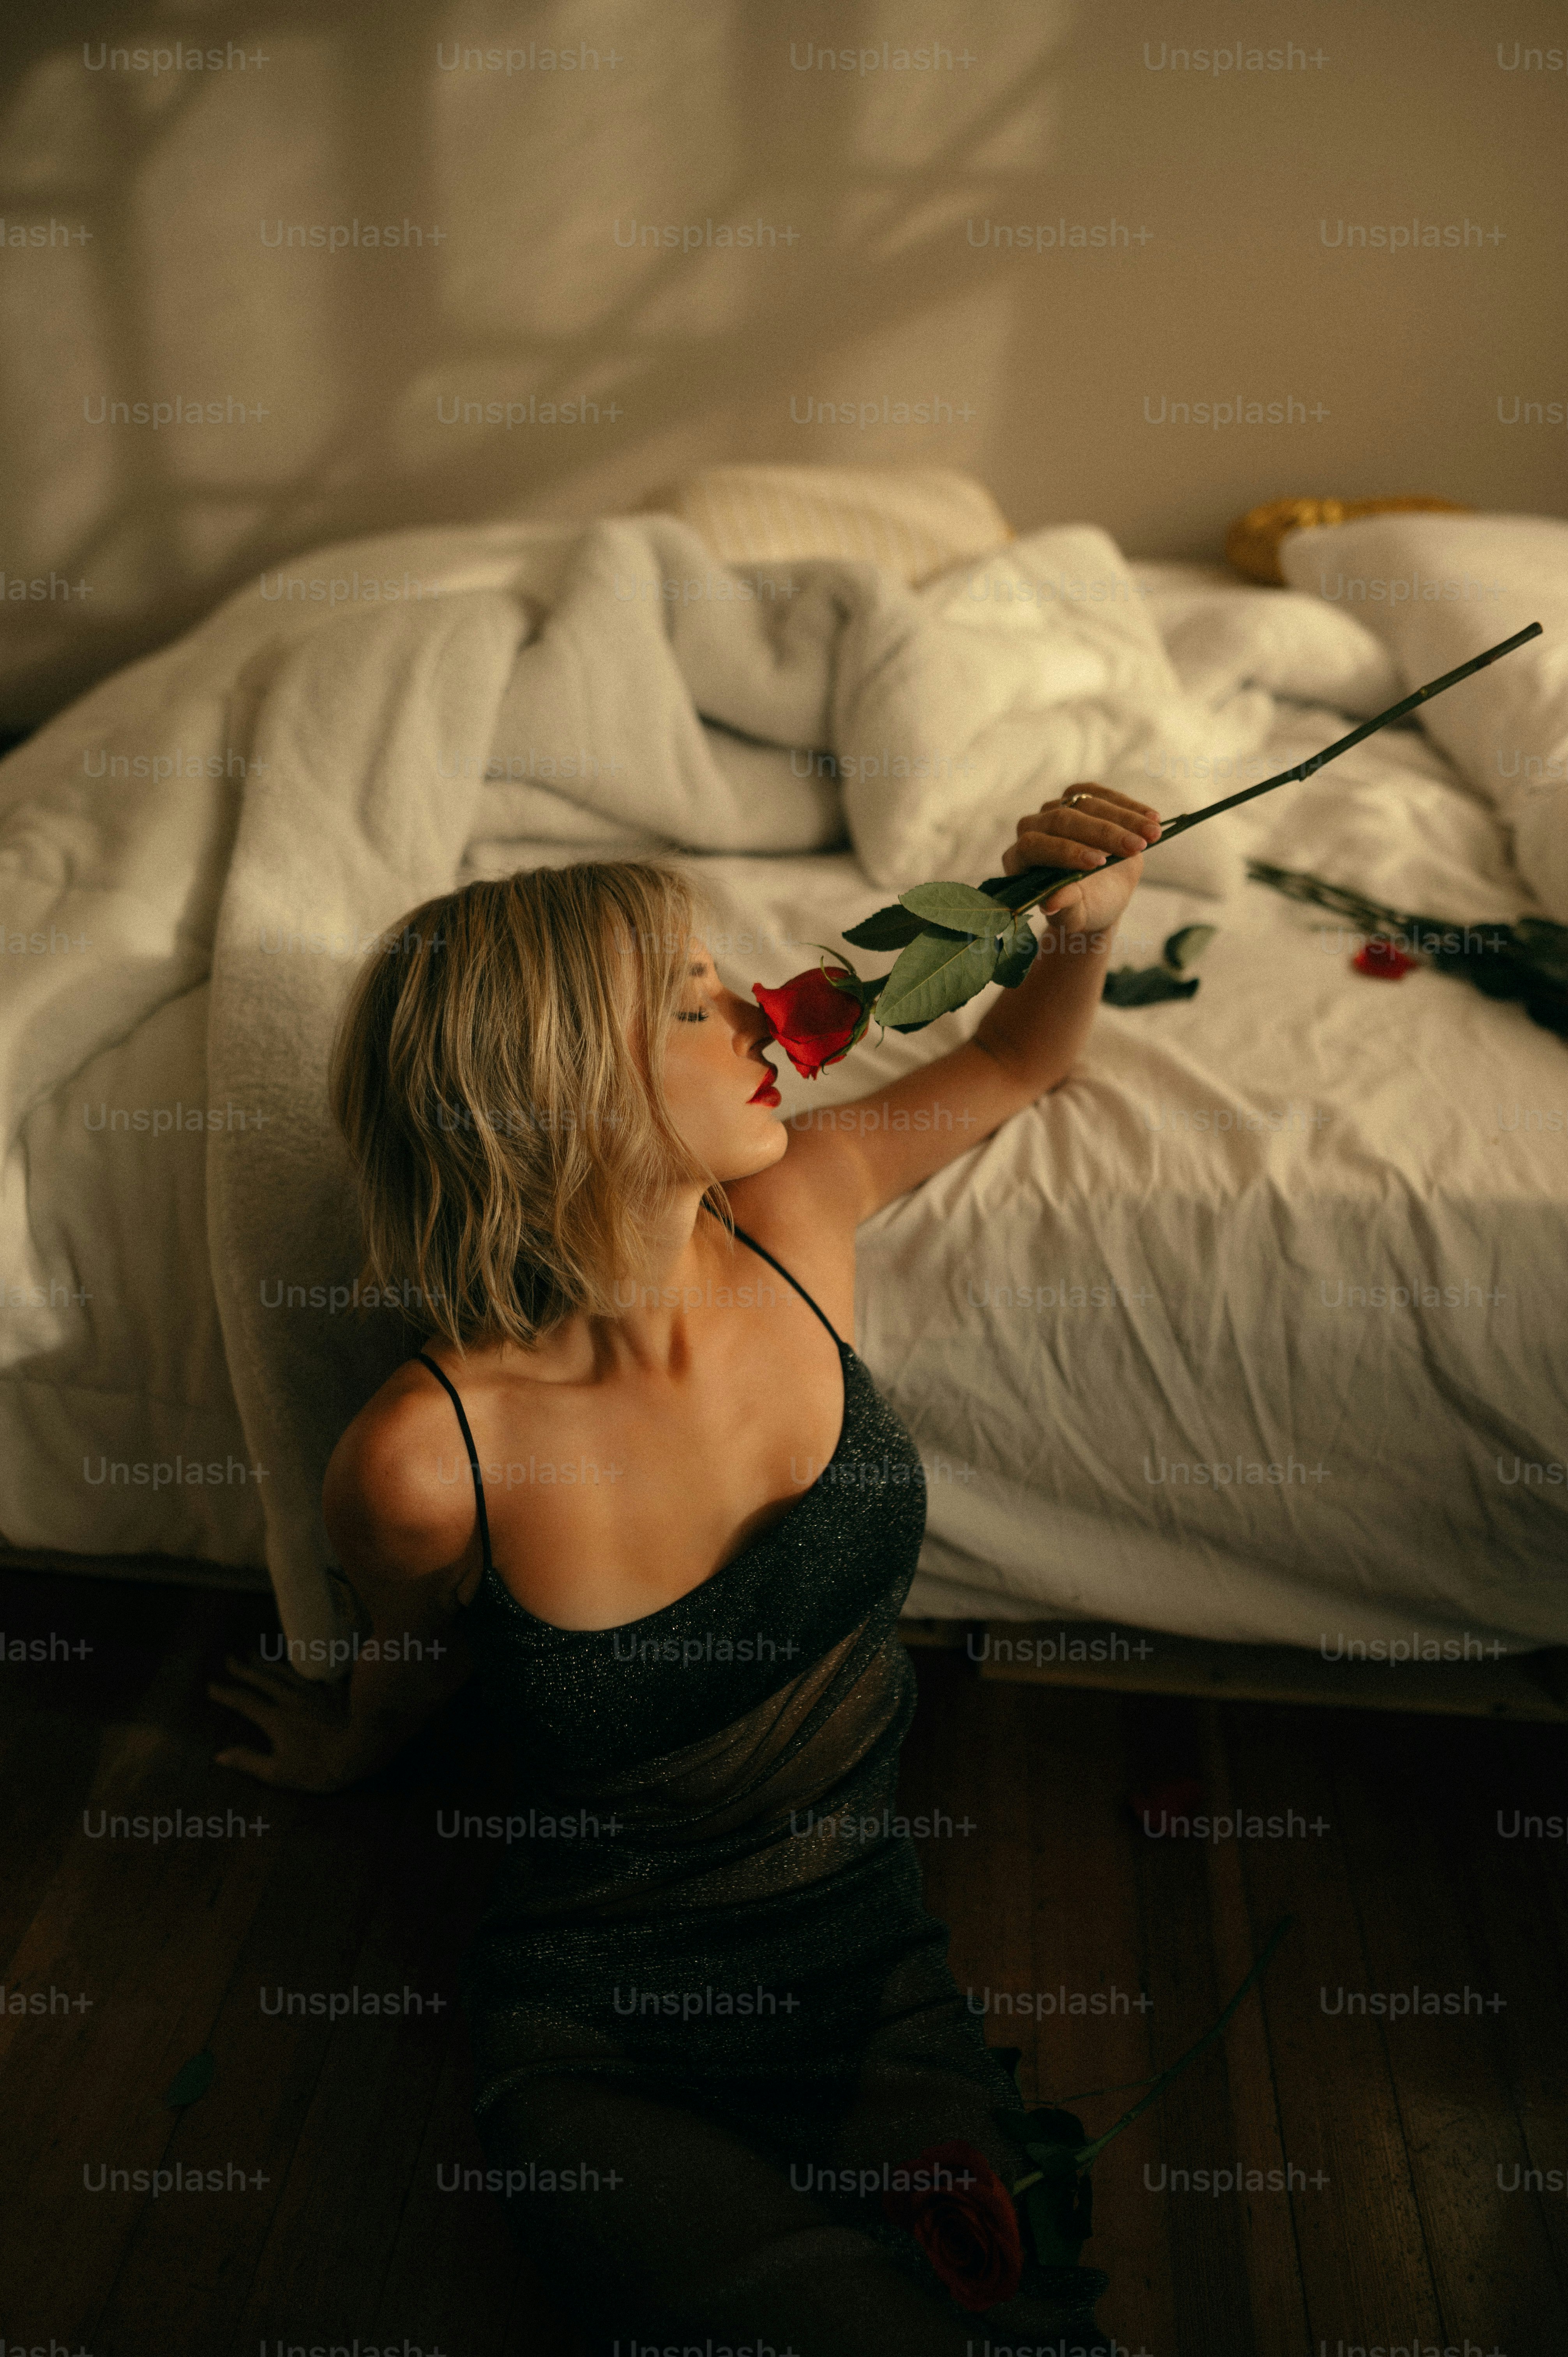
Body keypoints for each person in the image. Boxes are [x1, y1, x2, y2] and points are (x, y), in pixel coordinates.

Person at [208, 784, 1161, 2355]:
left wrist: (1082, 930)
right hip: (601, 2022)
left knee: (1014, 2327)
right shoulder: (428, 1457)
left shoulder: (798, 1210)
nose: (760, 1013)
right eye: (690, 1000)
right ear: (556, 1091)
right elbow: (419, 1654)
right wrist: (350, 1744)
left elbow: (1012, 1063)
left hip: (869, 1953)